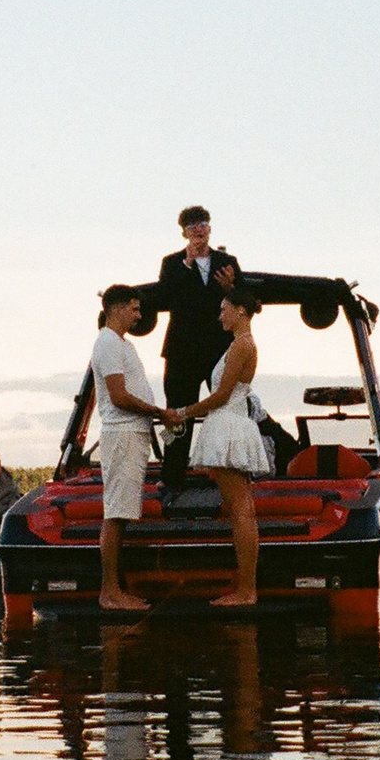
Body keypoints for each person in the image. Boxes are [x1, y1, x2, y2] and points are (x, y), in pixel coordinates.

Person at [91, 283, 184, 610]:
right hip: (122, 435)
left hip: (133, 434)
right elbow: (118, 396)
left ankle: (114, 590)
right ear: (116, 308)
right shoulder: (107, 344)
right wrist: (159, 412)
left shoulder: (120, 344)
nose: (139, 315)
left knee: (122, 511)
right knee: (116, 513)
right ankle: (110, 592)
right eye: (134, 308)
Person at [180, 287, 274, 607]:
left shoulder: (241, 346)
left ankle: (246, 591)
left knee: (241, 511)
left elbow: (221, 396)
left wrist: (182, 412)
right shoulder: (240, 345)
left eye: (224, 309)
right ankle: (246, 588)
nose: (220, 315)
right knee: (240, 509)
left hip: (228, 425)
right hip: (230, 423)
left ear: (240, 311)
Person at [156, 206, 241, 492]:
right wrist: (188, 266)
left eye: (203, 223)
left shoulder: (227, 261)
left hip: (218, 349)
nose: (198, 229)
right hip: (182, 351)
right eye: (192, 226)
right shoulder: (172, 263)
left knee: (230, 406)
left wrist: (231, 288)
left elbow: (246, 303)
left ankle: (234, 469)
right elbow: (165, 296)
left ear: (210, 228)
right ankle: (172, 476)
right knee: (177, 414)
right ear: (184, 232)